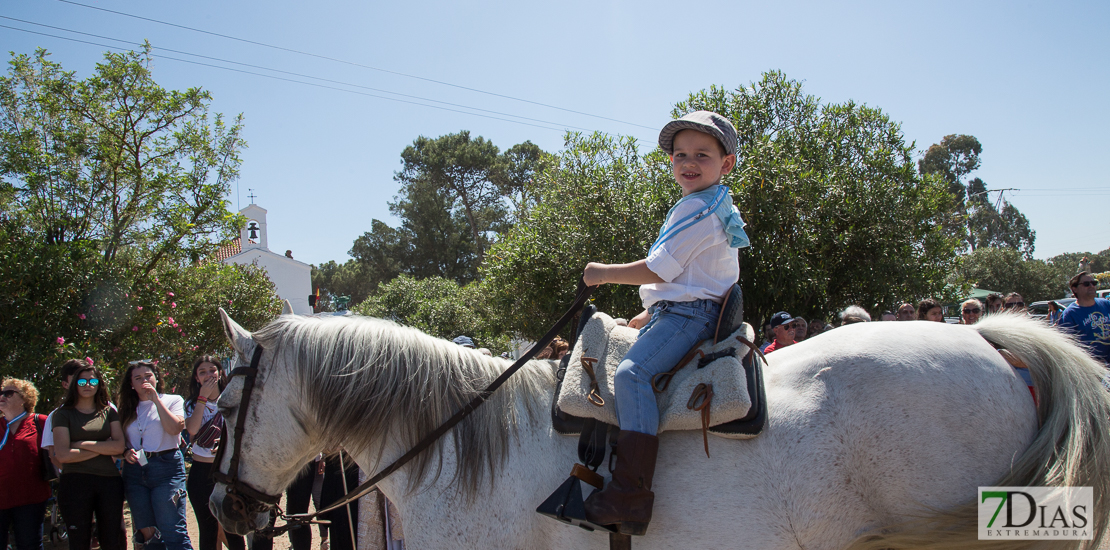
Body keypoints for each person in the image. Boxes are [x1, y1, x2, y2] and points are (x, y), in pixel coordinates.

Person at [580, 110, 749, 535]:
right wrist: (652, 310)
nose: (688, 162)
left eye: (702, 154)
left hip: (690, 315)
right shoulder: (714, 202)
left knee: (633, 375)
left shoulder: (697, 209)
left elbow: (661, 269)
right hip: (684, 308)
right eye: (680, 154)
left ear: (726, 163)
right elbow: (696, 275)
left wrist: (602, 273)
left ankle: (629, 494)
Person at [117, 361, 192, 550]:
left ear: (157, 378)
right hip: (135, 473)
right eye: (138, 378)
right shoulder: (126, 408)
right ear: (131, 384)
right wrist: (126, 452)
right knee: (148, 534)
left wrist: (155, 400)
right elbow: (120, 439)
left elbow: (175, 429)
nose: (144, 381)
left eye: (148, 376)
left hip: (166, 468)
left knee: (173, 530)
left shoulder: (172, 400)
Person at [52, 365, 126, 550]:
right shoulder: (62, 414)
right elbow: (63, 455)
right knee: (79, 541)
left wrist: (81, 444)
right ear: (74, 384)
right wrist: (103, 448)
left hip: (109, 482)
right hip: (75, 482)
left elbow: (119, 446)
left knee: (111, 540)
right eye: (82, 381)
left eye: (93, 381)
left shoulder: (109, 412)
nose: (88, 385)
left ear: (99, 384)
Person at [183, 357, 245, 550]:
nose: (208, 375)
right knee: (208, 529)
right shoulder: (191, 404)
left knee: (232, 527)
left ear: (220, 373)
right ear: (196, 377)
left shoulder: (233, 398)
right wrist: (203, 397)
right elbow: (192, 430)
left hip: (228, 471)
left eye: (212, 370)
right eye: (202, 372)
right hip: (201, 472)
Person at [1, 378, 52, 550]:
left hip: (31, 498)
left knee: (29, 545)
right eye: (1, 393)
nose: (2, 397)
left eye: (8, 393)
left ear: (24, 398)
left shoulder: (41, 422)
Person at [41, 359, 89, 473]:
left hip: (105, 477)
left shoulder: (108, 409)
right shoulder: (55, 415)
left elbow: (116, 450)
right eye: (77, 377)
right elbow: (54, 456)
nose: (83, 382)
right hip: (73, 478)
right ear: (65, 384)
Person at [1059, 272, 1110, 365]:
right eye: (1086, 284)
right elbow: (1066, 347)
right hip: (1091, 368)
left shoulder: (1106, 304)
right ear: (1075, 289)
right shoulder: (1070, 314)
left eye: (1093, 283)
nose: (1091, 286)